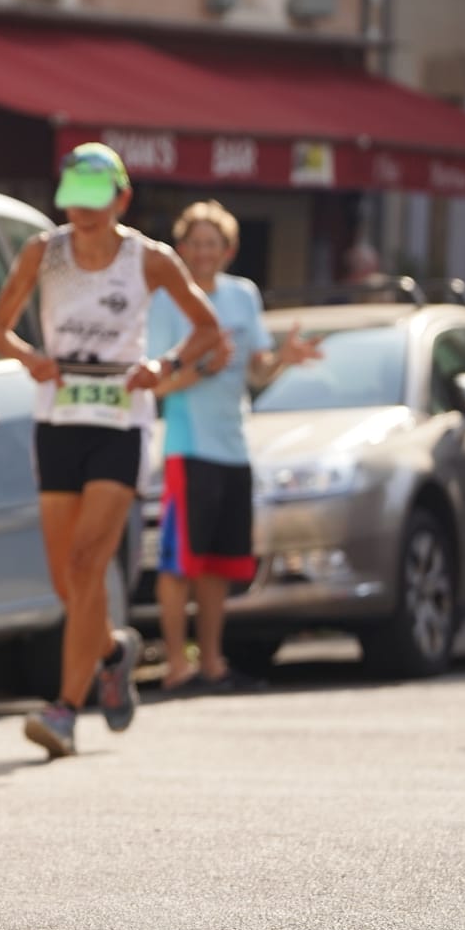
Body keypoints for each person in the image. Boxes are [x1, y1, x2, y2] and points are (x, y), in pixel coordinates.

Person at [0, 143, 225, 758]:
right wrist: (29, 357)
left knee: (90, 563)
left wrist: (162, 365)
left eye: (96, 206)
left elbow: (207, 329)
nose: (84, 218)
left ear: (122, 199)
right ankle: (114, 653)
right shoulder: (45, 252)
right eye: (76, 206)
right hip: (58, 420)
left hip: (120, 423)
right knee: (69, 581)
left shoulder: (151, 260)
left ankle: (64, 712)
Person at [146, 202, 321, 693]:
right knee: (180, 562)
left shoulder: (244, 297)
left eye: (212, 244)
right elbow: (153, 385)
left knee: (219, 564)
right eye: (195, 243)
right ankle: (177, 666)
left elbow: (255, 370)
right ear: (182, 249)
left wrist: (284, 359)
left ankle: (213, 665)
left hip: (233, 447)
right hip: (188, 445)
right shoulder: (166, 301)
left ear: (229, 250)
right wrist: (201, 366)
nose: (203, 253)